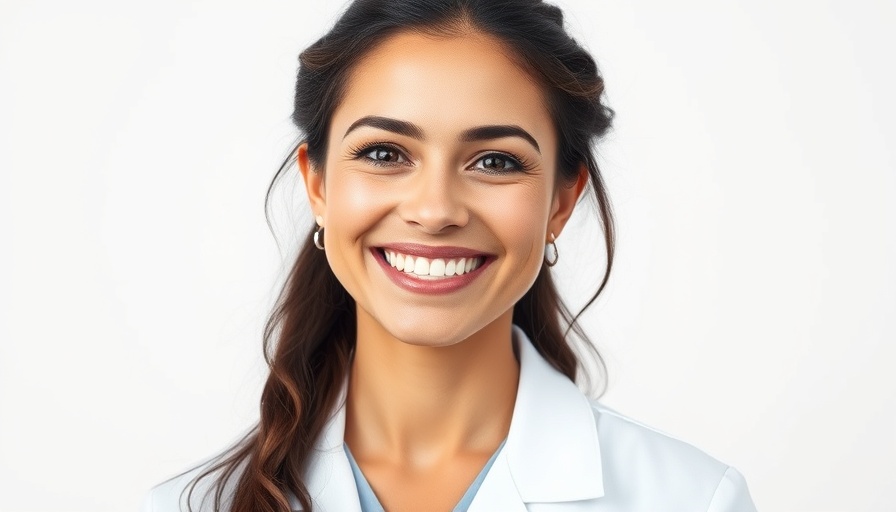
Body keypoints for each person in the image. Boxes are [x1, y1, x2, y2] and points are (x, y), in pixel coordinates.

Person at [144, 0, 757, 510]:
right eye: (385, 154)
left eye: (495, 162)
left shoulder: (692, 499)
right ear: (319, 185)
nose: (435, 210)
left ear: (561, 203)